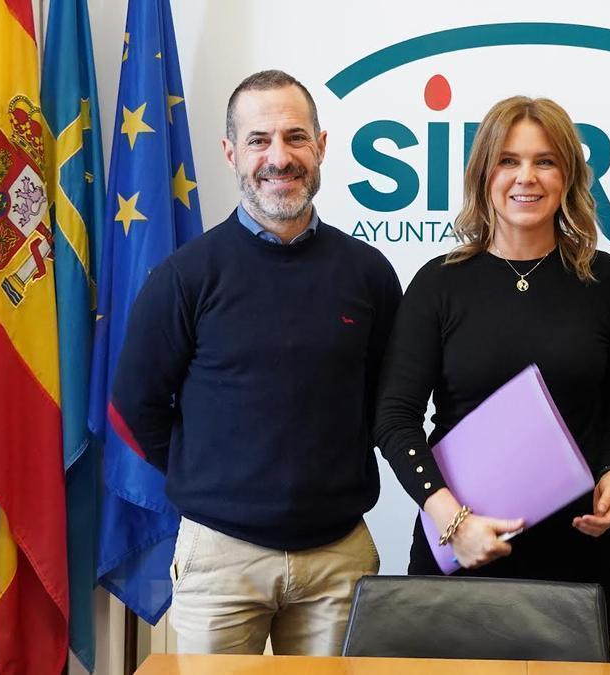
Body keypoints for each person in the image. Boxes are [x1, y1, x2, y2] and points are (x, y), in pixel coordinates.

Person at [110, 70, 402, 656]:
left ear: (321, 146)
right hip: (220, 560)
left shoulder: (368, 274)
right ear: (231, 152)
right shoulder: (185, 276)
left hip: (338, 559)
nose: (279, 157)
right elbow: (132, 408)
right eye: (259, 140)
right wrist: (207, 475)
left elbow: (387, 401)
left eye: (295, 137)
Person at [373, 95, 610, 639]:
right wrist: (453, 522)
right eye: (508, 161)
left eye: (545, 161)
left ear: (568, 176)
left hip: (576, 554)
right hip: (459, 549)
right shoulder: (439, 283)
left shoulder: (607, 282)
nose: (527, 177)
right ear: (483, 174)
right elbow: (395, 419)